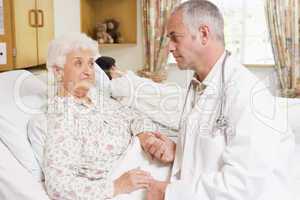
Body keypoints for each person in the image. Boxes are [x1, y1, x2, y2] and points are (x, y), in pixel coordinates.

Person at [140, 1, 295, 200]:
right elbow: (212, 149)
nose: (169, 47)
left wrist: (168, 192)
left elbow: (244, 185)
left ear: (204, 34)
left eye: (175, 37)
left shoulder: (248, 94)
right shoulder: (200, 84)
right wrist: (179, 152)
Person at [28, 33, 167, 200]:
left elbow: (135, 117)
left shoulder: (98, 100)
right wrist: (117, 186)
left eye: (91, 63)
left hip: (152, 166)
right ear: (58, 72)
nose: (88, 71)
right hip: (128, 186)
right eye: (78, 63)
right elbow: (59, 186)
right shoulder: (61, 117)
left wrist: (145, 136)